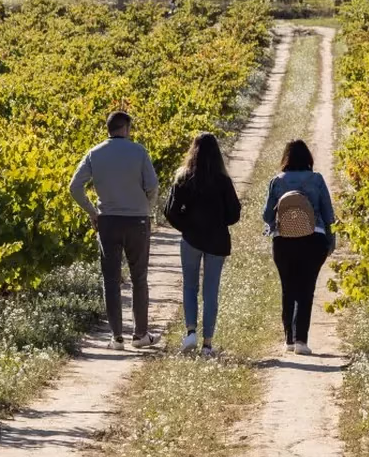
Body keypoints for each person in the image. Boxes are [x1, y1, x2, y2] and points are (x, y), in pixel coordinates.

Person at [70, 111, 161, 351]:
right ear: (126, 128)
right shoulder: (139, 151)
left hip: (108, 221)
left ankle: (117, 337)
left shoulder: (95, 153)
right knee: (139, 277)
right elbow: (153, 186)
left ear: (109, 129)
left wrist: (92, 211)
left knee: (110, 280)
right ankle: (140, 335)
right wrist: (146, 208)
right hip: (137, 221)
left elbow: (75, 186)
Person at [164, 132, 241, 356]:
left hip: (191, 239)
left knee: (189, 286)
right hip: (217, 240)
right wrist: (218, 222)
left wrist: (186, 226)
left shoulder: (184, 178)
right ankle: (207, 343)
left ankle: (190, 332)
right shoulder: (223, 181)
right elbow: (234, 214)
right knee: (210, 291)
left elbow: (169, 211)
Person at [262, 139, 335, 356]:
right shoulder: (317, 179)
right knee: (306, 289)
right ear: (308, 158)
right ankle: (302, 340)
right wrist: (331, 240)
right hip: (314, 238)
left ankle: (289, 340)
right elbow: (328, 214)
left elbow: (266, 215)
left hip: (283, 240)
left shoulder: (277, 181)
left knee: (288, 288)